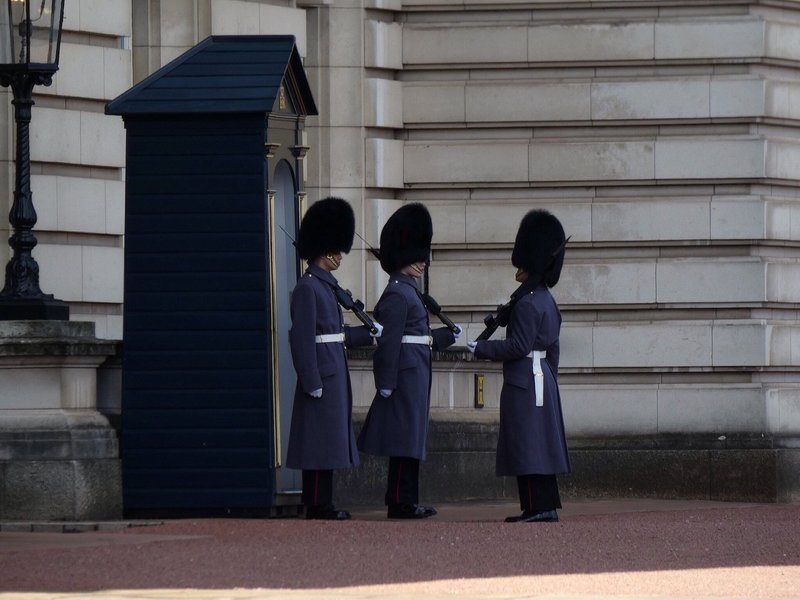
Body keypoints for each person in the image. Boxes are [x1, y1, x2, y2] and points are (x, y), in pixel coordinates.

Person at [357, 203, 461, 519]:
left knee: (412, 439)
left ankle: (407, 498)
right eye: (418, 256)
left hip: (415, 371)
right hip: (404, 376)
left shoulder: (409, 292)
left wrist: (446, 336)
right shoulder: (398, 294)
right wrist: (385, 382)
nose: (424, 262)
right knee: (404, 440)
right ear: (405, 257)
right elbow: (388, 343)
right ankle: (401, 501)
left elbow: (420, 337)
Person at [467, 209, 570, 523]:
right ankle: (544, 504)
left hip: (525, 381)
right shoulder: (547, 301)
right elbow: (553, 349)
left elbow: (518, 347)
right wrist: (550, 379)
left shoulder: (526, 304)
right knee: (541, 444)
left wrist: (481, 348)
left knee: (526, 444)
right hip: (543, 380)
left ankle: (535, 507)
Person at [286, 196, 382, 520]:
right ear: (323, 248)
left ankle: (324, 501)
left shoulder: (326, 288)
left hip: (333, 370)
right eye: (336, 248)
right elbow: (302, 340)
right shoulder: (307, 288)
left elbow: (336, 334)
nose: (340, 254)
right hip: (322, 375)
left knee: (327, 440)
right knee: (317, 442)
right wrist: (310, 379)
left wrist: (370, 334)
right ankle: (317, 503)